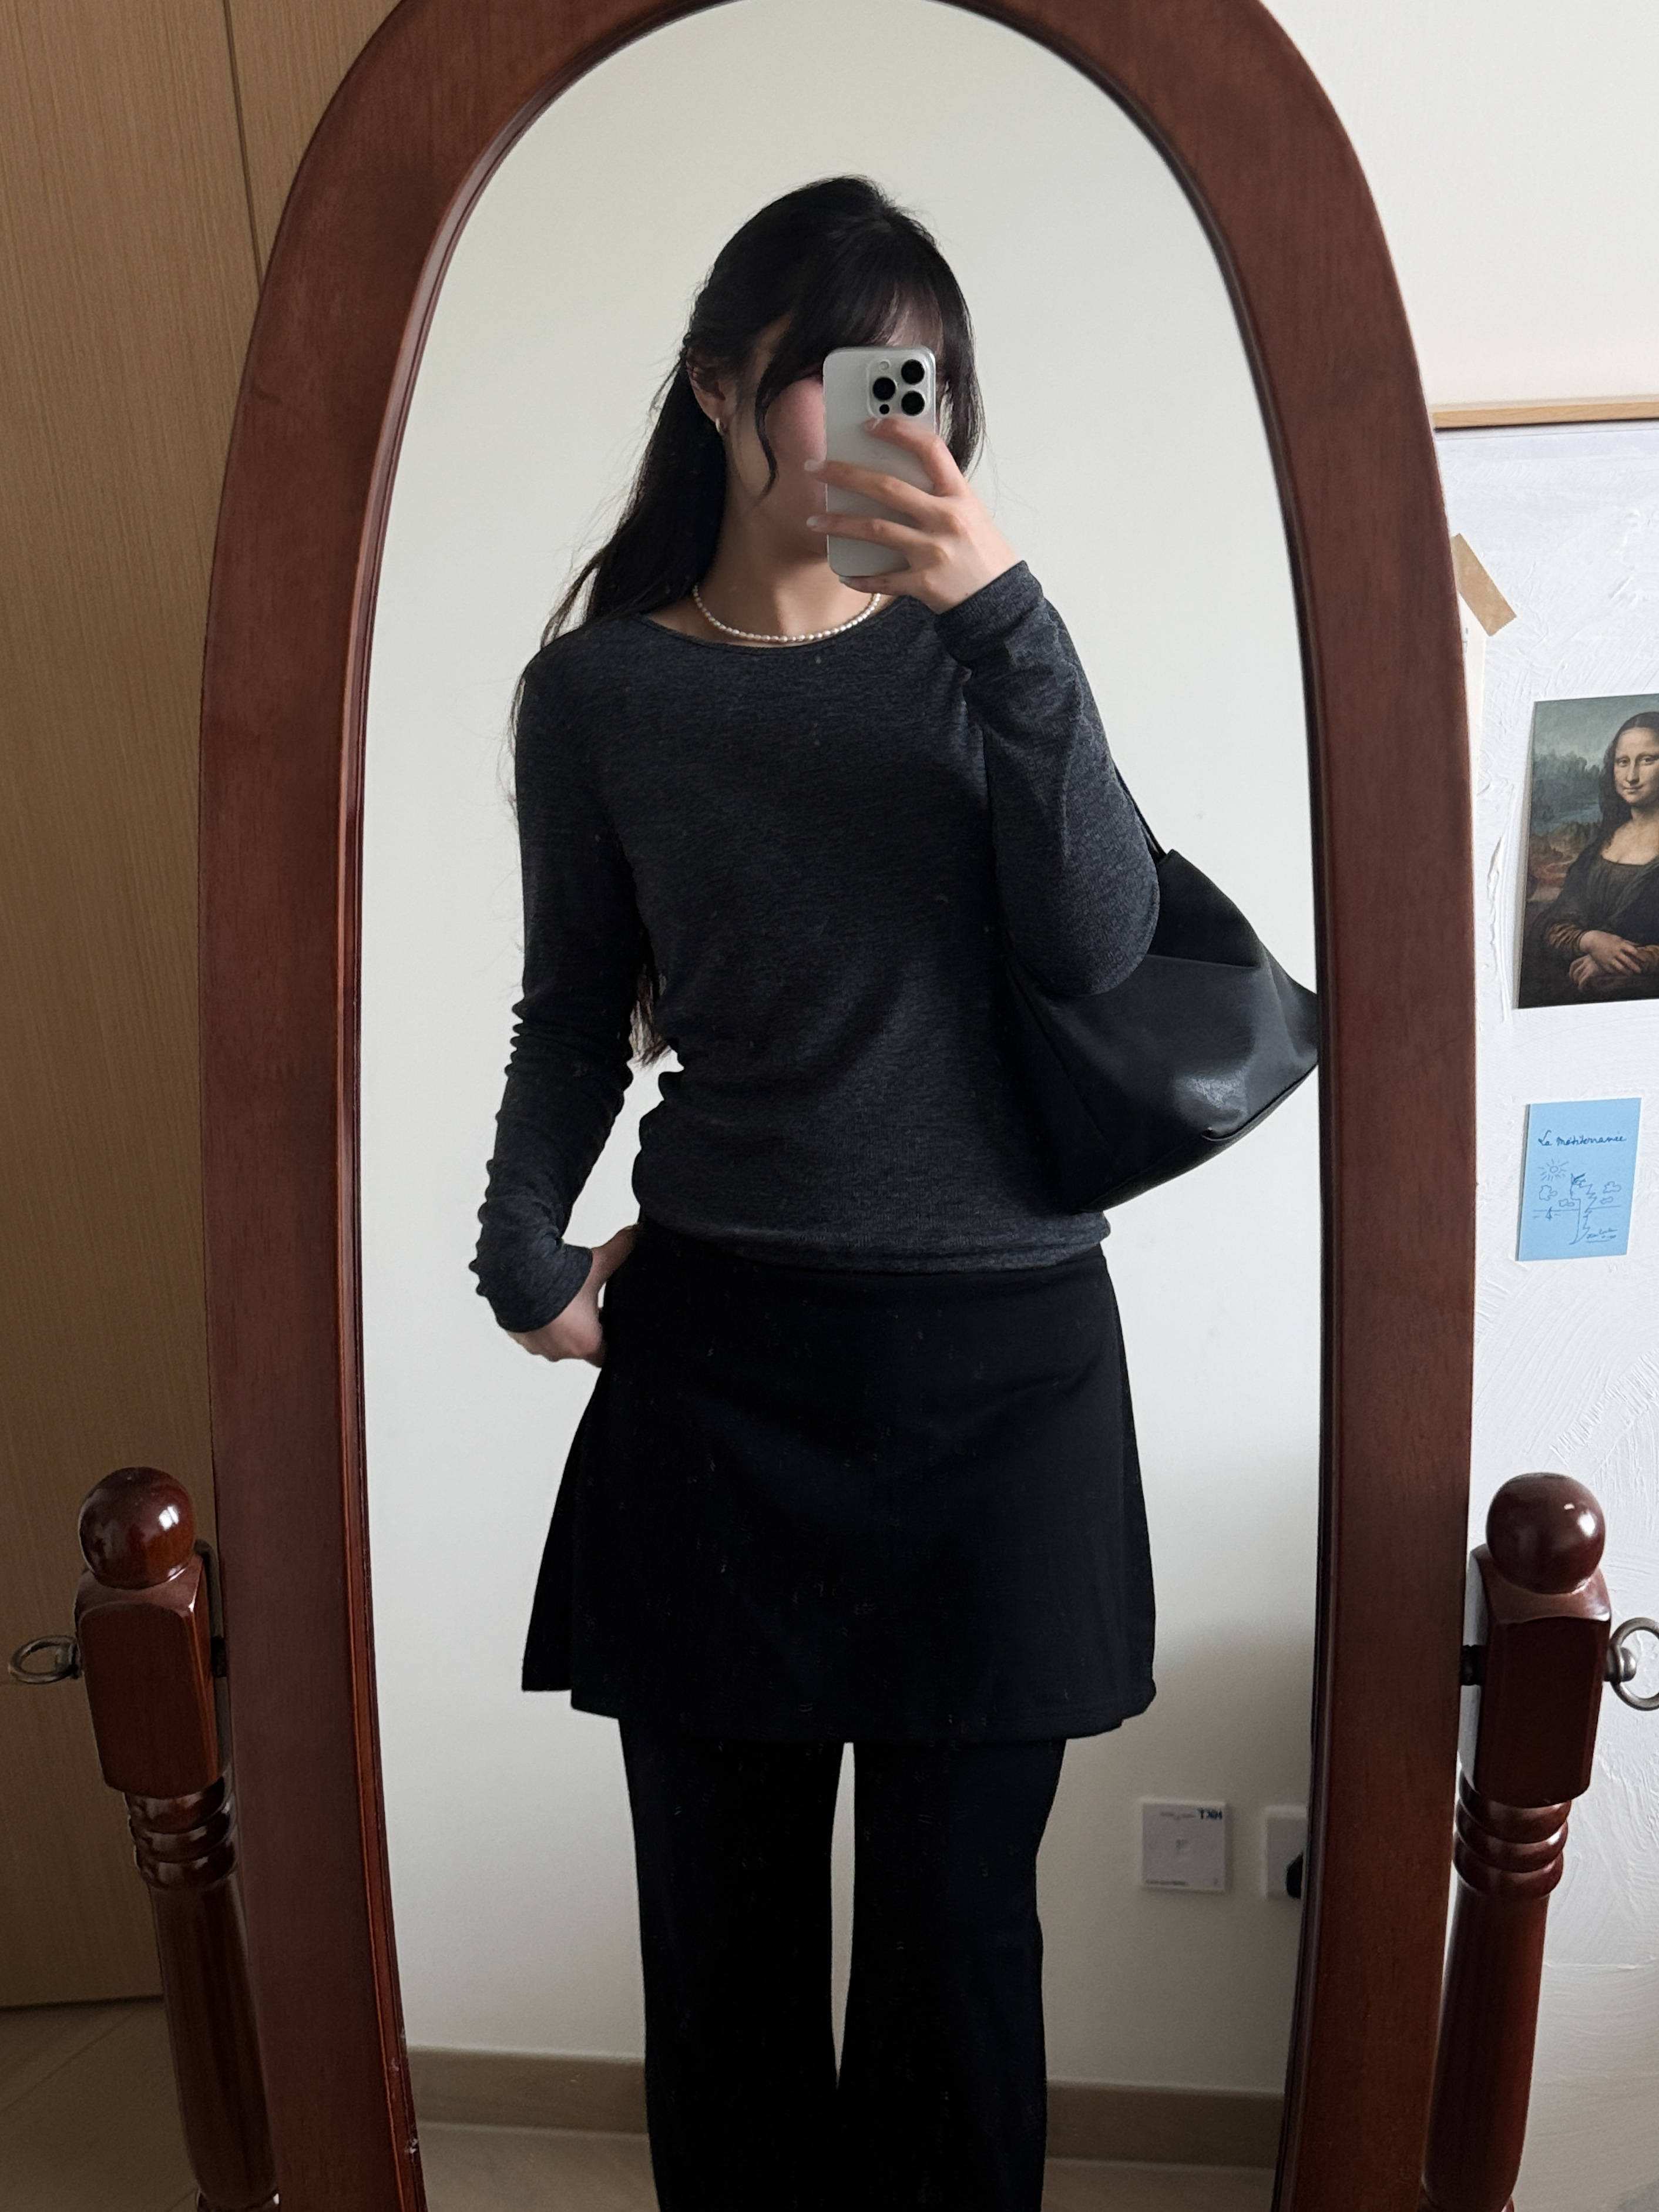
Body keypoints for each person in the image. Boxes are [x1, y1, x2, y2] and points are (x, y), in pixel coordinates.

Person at [471, 176, 1160, 2212]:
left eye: (916, 378)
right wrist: (518, 1248)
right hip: (726, 1379)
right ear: (716, 386)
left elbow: (1103, 943)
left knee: (958, 1956)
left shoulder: (986, 651)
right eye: (837, 373)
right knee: (727, 1961)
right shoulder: (598, 696)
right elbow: (574, 1007)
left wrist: (1003, 617)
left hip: (1007, 1383)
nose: (884, 414)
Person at [1524, 712, 1659, 1005]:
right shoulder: (1599, 847)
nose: (1632, 776)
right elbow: (1555, 924)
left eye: (1648, 760)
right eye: (1622, 762)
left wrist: (1621, 960)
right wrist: (1591, 941)